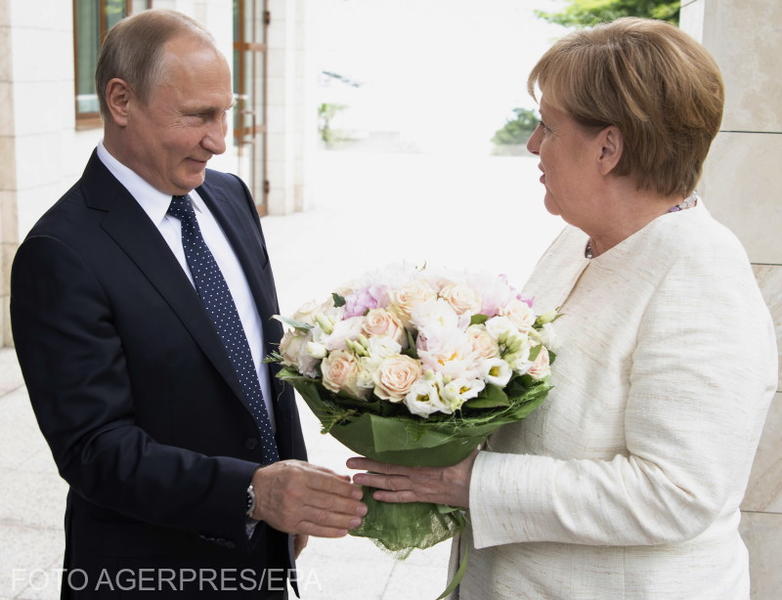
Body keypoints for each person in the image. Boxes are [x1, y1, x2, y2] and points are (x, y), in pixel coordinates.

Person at [347, 17, 778, 599]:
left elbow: (679, 494)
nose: (532, 145)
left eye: (547, 126)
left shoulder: (699, 275)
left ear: (608, 147)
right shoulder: (581, 241)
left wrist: (471, 482)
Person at [11, 9, 365, 599]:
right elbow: (95, 450)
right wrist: (254, 492)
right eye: (198, 116)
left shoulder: (227, 196)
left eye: (226, 113)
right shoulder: (60, 252)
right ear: (121, 101)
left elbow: (259, 363)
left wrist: (288, 488)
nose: (219, 140)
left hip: (262, 551)